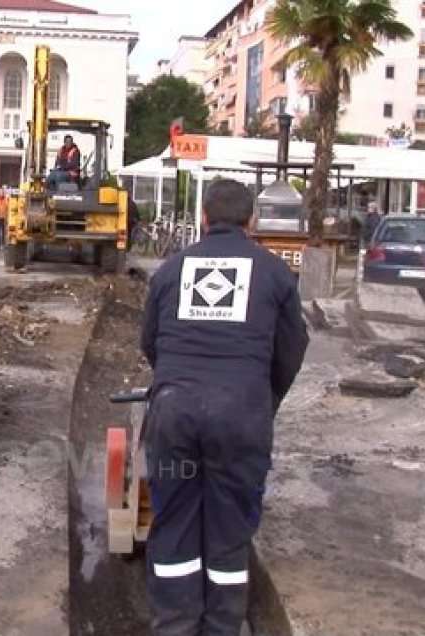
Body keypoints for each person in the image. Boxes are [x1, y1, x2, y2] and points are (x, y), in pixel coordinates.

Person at [140, 179, 308, 636]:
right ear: (251, 221)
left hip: (174, 417)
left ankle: (175, 625)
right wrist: (261, 398)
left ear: (204, 219)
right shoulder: (274, 272)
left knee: (173, 522)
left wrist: (176, 380)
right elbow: (293, 348)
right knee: (230, 529)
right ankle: (222, 627)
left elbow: (149, 341)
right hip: (241, 420)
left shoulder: (172, 269)